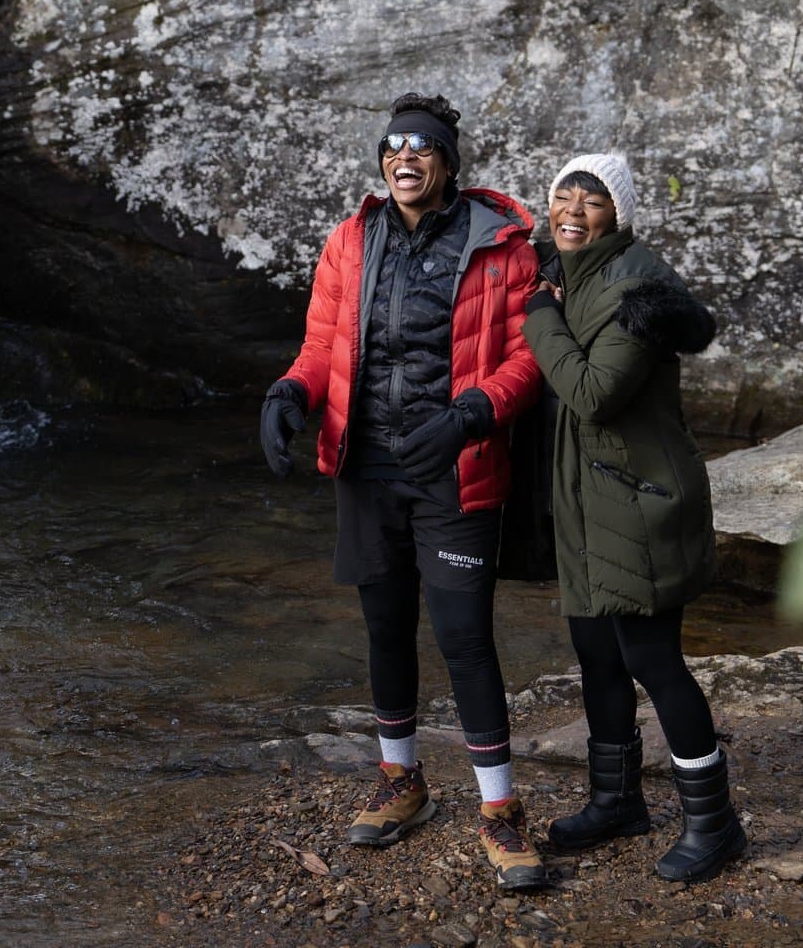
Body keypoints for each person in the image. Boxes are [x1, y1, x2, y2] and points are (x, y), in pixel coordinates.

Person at [259, 93, 548, 890]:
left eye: (422, 145)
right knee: (386, 630)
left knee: (464, 639)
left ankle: (501, 813)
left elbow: (530, 360)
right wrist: (290, 393)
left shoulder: (501, 246)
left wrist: (469, 415)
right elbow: (322, 344)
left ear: (448, 162)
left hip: (458, 469)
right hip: (367, 469)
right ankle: (402, 781)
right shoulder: (350, 241)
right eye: (393, 145)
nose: (404, 156)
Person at [518, 152, 746, 884]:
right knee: (597, 654)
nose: (573, 210)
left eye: (592, 200)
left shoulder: (640, 289)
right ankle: (616, 802)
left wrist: (539, 316)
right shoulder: (567, 272)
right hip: (590, 502)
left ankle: (715, 824)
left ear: (617, 215)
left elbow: (592, 393)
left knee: (653, 661)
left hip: (641, 500)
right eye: (564, 195)